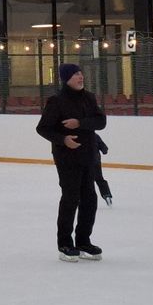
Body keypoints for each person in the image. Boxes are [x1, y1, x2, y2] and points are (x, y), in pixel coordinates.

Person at [36, 64, 107, 261]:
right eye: (76, 74)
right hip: (67, 158)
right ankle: (65, 244)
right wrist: (63, 140)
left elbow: (101, 122)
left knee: (90, 200)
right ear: (66, 78)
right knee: (70, 199)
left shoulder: (89, 98)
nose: (80, 76)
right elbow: (43, 128)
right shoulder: (56, 101)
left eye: (81, 73)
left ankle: (83, 241)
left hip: (88, 155)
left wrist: (80, 123)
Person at [95, 136, 113, 207]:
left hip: (85, 163)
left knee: (84, 182)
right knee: (99, 179)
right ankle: (107, 195)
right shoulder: (95, 136)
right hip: (96, 162)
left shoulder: (79, 135)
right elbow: (104, 149)